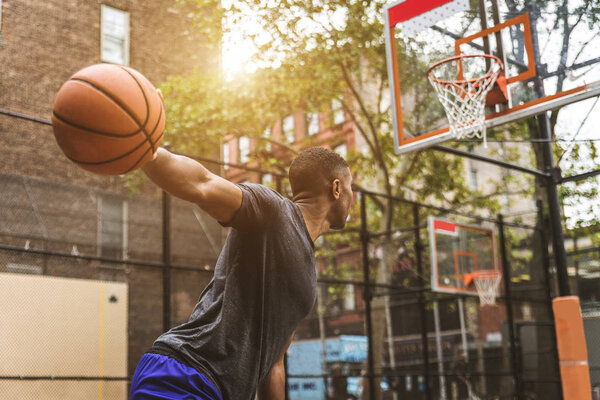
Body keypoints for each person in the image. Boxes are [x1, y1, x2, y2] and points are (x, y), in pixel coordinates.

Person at [130, 145, 354, 400]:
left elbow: (273, 364)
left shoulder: (307, 273)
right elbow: (202, 183)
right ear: (336, 189)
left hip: (221, 390)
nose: (352, 197)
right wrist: (143, 147)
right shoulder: (274, 211)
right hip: (186, 374)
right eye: (350, 188)